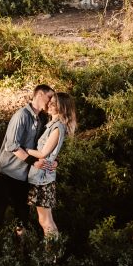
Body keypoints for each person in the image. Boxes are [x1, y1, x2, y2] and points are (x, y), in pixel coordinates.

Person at [0, 84, 55, 237]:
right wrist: (33, 161)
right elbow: (12, 145)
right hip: (7, 172)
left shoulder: (43, 118)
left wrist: (54, 160)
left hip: (25, 176)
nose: (51, 101)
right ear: (39, 95)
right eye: (49, 97)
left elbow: (45, 145)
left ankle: (21, 251)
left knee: (22, 218)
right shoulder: (21, 115)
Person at [26, 91, 77, 239]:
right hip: (42, 176)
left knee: (46, 221)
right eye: (50, 101)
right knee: (45, 220)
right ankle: (53, 254)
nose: (50, 104)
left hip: (42, 179)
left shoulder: (57, 127)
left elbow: (43, 153)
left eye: (54, 103)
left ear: (63, 108)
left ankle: (53, 256)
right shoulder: (52, 124)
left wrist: (22, 149)